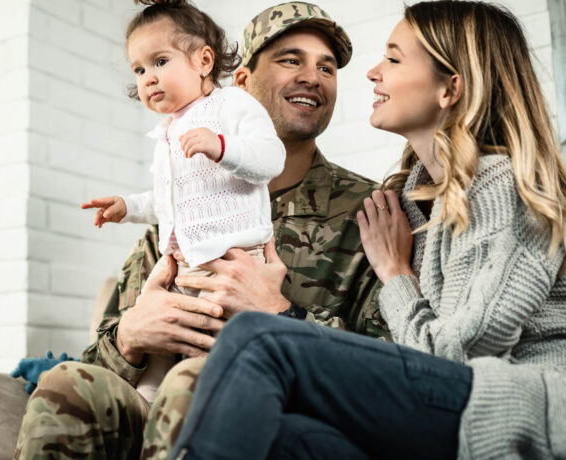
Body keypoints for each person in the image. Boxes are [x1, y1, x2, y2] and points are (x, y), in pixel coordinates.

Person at [169, 1, 566, 459]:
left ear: (450, 88)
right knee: (285, 436)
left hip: (516, 411)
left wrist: (396, 276)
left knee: (257, 340)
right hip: (450, 414)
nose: (373, 73)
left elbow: (450, 360)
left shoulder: (501, 186)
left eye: (394, 59)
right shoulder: (412, 203)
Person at [14, 2, 389, 459]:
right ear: (244, 83)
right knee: (65, 385)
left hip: (278, 420)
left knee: (196, 385)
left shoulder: (367, 211)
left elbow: (392, 378)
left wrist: (281, 315)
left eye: (326, 67)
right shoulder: (177, 210)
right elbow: (100, 355)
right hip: (154, 405)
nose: (313, 76)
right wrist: (131, 336)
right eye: (291, 59)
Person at [81, 0, 286, 403]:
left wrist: (222, 146)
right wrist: (129, 207)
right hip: (182, 262)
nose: (148, 78)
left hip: (234, 261)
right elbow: (171, 200)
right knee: (160, 322)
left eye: (159, 61)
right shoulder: (170, 131)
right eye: (139, 70)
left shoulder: (232, 106)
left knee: (215, 342)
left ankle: (214, 396)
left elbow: (271, 160)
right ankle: (150, 397)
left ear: (203, 60)